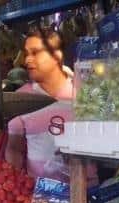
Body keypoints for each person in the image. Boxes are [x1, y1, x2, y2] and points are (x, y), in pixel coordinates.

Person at [5, 28, 94, 183]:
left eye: (36, 53)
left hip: (86, 189)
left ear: (56, 56)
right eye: (27, 54)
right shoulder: (19, 99)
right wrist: (14, 182)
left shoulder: (85, 91)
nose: (27, 60)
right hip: (41, 196)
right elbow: (14, 148)